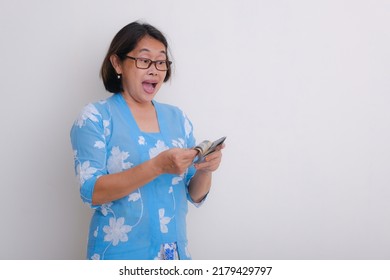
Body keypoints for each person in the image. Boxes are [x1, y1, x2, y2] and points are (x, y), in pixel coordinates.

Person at [70, 21, 224, 260]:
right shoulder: (95, 117)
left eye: (161, 62)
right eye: (144, 60)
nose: (154, 69)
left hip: (175, 255)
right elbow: (92, 192)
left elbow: (194, 194)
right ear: (117, 62)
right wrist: (157, 166)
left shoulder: (178, 118)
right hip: (120, 256)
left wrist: (207, 169)